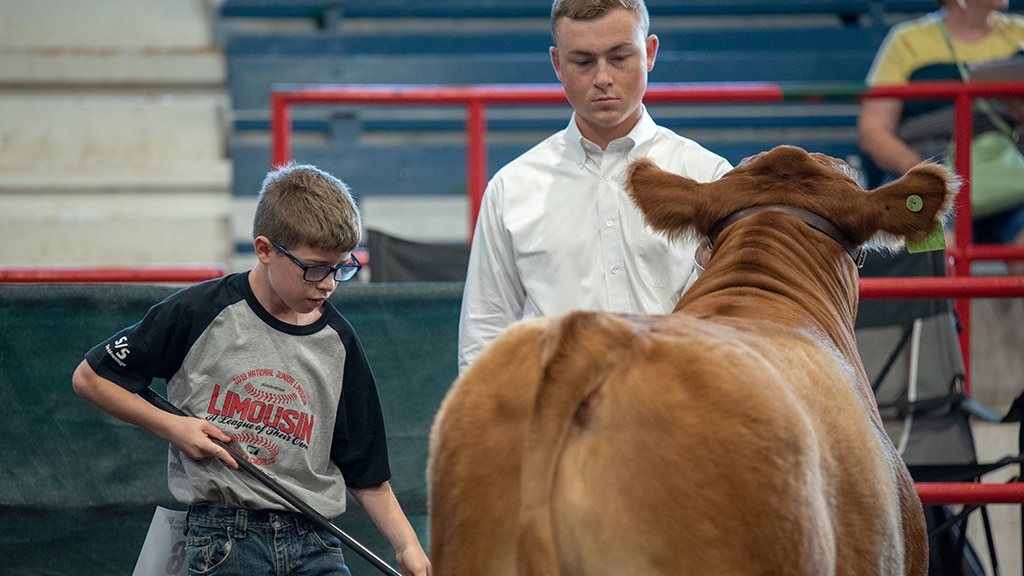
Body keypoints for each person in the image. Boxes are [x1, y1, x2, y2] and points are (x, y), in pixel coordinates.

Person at [71, 164, 431, 576]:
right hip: (226, 538)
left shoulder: (339, 340)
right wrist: (174, 427)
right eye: (315, 268)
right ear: (264, 249)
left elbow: (367, 472)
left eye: (341, 268)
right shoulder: (201, 310)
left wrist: (407, 545)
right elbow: (90, 377)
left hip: (316, 539)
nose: (329, 284)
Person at [457, 0, 733, 371]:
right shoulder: (511, 189)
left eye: (619, 57)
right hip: (558, 420)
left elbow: (736, 320)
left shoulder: (710, 175)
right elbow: (484, 332)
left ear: (649, 53)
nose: (602, 77)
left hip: (680, 411)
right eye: (583, 62)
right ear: (557, 64)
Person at [857, 0, 1024, 273]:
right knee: (936, 251)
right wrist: (924, 173)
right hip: (929, 175)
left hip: (1011, 176)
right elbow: (873, 130)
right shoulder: (906, 40)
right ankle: (944, 316)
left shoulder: (1021, 35)